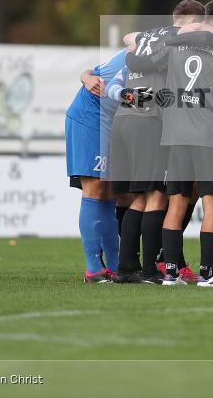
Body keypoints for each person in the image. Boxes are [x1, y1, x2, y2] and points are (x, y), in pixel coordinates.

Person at [109, 0, 205, 284]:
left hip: (124, 120)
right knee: (156, 195)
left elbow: (127, 45)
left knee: (138, 196)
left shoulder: (148, 35)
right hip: (149, 121)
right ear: (192, 22)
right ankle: (150, 270)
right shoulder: (180, 37)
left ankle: (127, 267)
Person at [152, 0, 213, 287]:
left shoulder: (174, 45)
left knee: (176, 204)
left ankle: (170, 273)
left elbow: (145, 57)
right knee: (212, 204)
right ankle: (207, 274)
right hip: (209, 136)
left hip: (176, 136)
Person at [65, 47, 127, 283]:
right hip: (89, 116)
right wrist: (86, 76)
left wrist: (86, 75)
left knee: (110, 192)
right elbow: (129, 40)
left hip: (110, 121)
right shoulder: (153, 42)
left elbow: (98, 70)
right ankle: (93, 267)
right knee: (95, 189)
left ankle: (113, 264)